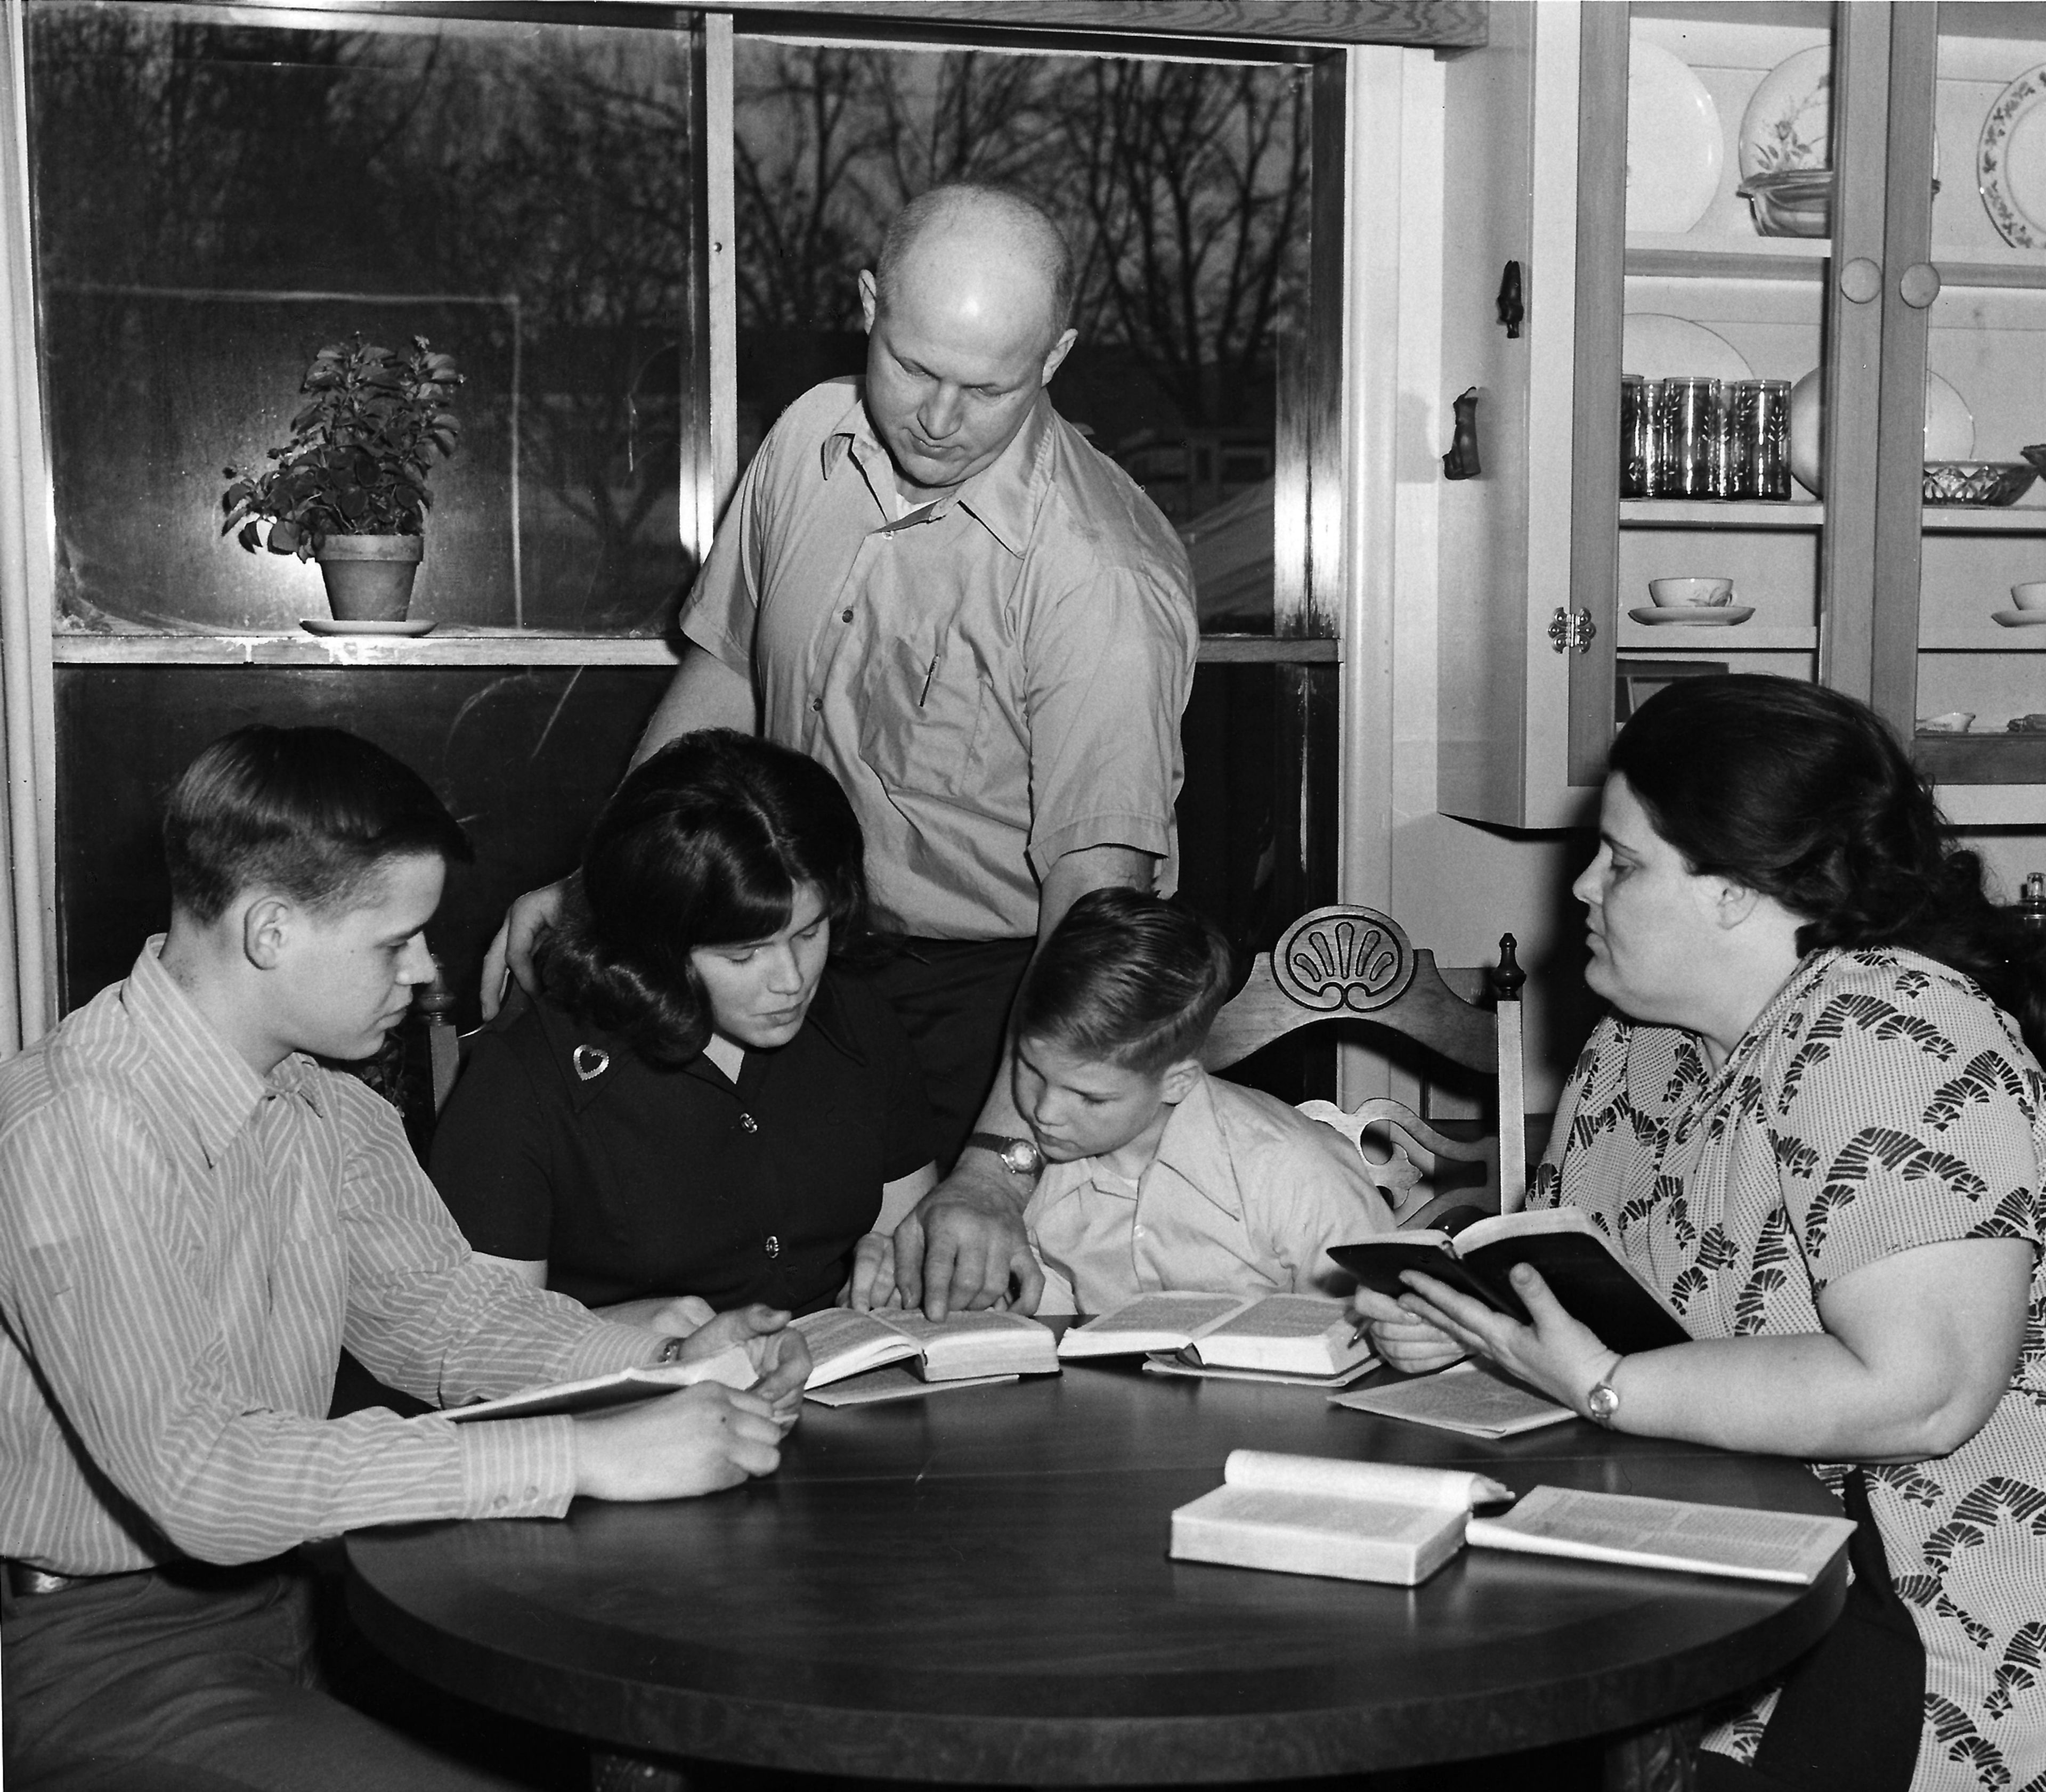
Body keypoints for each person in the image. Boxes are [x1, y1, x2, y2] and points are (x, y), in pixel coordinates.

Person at [0, 724, 809, 1792]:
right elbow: (198, 1476)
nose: (428, 972)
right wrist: (584, 1452)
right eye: (399, 941)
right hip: (101, 1655)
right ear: (272, 931)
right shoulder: (72, 1127)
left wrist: (663, 1359)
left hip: (310, 1598)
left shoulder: (321, 1100)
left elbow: (445, 1316)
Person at [483, 182, 1198, 1322]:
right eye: (914, 367)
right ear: (868, 303)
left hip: (1004, 998)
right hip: (807, 954)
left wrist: (997, 1166)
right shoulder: (810, 437)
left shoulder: (1099, 581)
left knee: (959, 1344)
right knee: (759, 1308)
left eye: (989, 388)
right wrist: (600, 887)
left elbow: (1097, 906)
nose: (938, 419)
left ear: (1056, 356)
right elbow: (725, 673)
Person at [1351, 676, 2046, 1792]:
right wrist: (1477, 1325)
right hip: (1696, 1596)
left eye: (1622, 861)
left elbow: (1923, 1390)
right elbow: (1604, 1309)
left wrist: (1604, 1385)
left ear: (1734, 890)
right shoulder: (1639, 1042)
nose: (1580, 885)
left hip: (1909, 1659)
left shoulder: (1888, 1027)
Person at [433, 730, 937, 1324]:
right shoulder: (524, 1083)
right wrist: (627, 1333)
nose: (792, 980)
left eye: (810, 933)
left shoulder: (858, 1020)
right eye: (742, 955)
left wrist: (899, 1268)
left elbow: (904, 1234)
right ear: (655, 944)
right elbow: (482, 1350)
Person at [851, 889, 1389, 1315]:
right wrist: (922, 1287)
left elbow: (1380, 1332)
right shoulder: (1029, 1171)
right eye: (1030, 1071)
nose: (1043, 1113)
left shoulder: (1294, 1173)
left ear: (1176, 1081)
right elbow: (1032, 1324)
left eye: (1088, 1096)